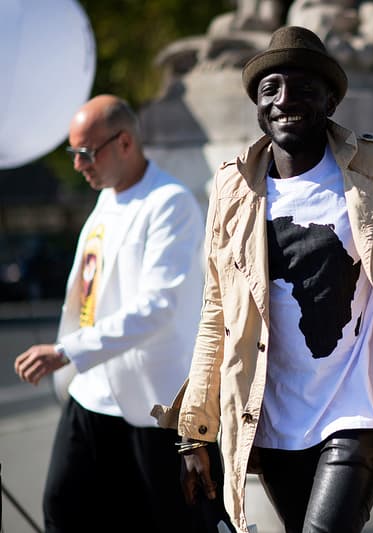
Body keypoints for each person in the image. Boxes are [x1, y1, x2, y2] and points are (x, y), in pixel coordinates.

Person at [151, 26, 373, 533]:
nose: (286, 101)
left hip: (360, 411)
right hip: (275, 419)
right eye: (272, 90)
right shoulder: (232, 186)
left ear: (330, 100)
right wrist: (194, 434)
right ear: (258, 105)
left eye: (304, 88)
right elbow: (216, 312)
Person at [14, 95, 231, 532]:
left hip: (154, 404)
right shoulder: (106, 199)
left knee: (175, 522)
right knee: (63, 507)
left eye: (86, 152)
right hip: (91, 392)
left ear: (125, 142)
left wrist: (66, 350)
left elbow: (157, 306)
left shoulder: (170, 203)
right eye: (72, 153)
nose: (78, 165)